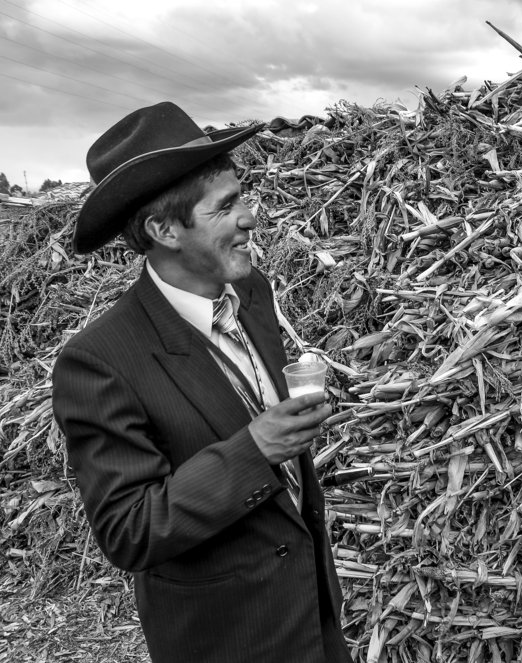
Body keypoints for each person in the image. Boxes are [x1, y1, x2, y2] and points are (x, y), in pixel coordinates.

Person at [52, 102, 353, 663]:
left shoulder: (251, 292)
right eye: (227, 207)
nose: (251, 218)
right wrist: (256, 449)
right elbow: (129, 530)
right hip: (226, 638)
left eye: (244, 197)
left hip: (312, 618)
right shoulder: (99, 360)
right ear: (163, 229)